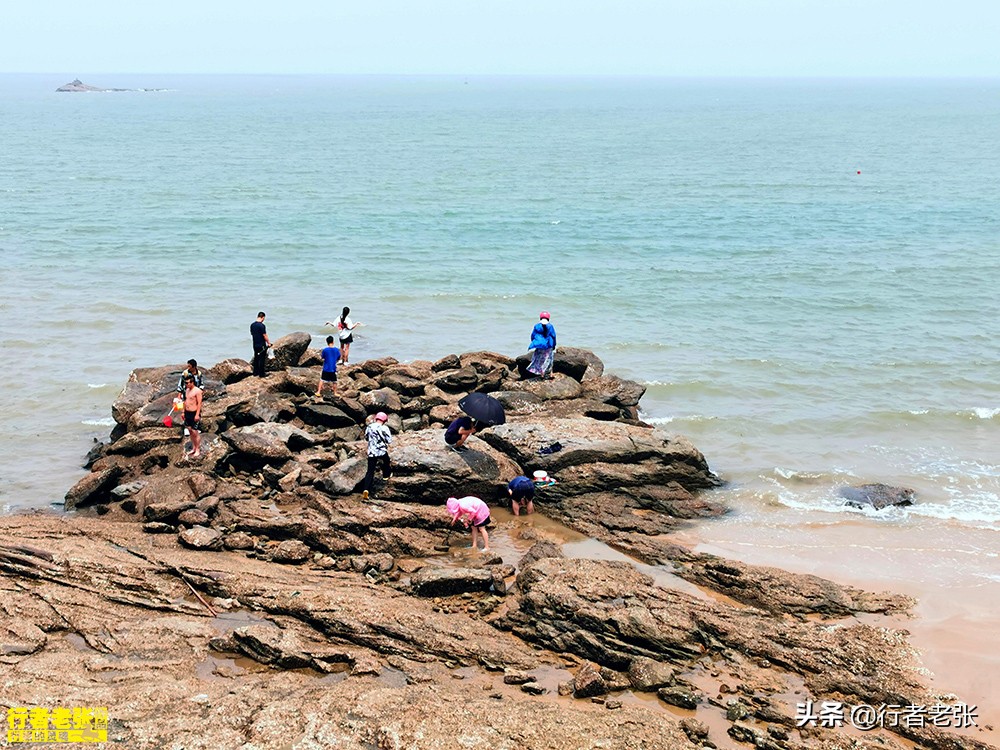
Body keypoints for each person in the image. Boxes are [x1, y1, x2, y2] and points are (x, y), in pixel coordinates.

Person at [362, 412, 392, 500]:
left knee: (370, 471)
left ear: (376, 418)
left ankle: (366, 489)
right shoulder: (385, 428)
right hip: (381, 451)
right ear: (385, 420)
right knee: (386, 461)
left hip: (372, 452)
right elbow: (389, 440)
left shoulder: (369, 427)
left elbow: (366, 438)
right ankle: (386, 475)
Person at [527, 311, 557, 379]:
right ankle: (550, 374)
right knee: (549, 359)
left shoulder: (537, 326)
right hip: (549, 346)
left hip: (540, 346)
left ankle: (541, 373)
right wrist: (554, 345)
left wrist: (535, 343)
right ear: (548, 318)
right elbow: (553, 336)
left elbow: (533, 335)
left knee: (539, 359)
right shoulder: (550, 326)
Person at [182, 374, 203, 459]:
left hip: (194, 413)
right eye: (185, 383)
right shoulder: (186, 390)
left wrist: (197, 414)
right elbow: (185, 401)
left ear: (192, 382)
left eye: (187, 383)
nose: (186, 384)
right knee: (190, 430)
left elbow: (199, 403)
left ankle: (197, 449)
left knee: (195, 431)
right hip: (187, 413)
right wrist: (183, 412)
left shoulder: (197, 391)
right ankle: (194, 447)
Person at [250, 311, 272, 377]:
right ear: (262, 317)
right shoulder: (262, 326)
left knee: (256, 358)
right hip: (261, 345)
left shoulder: (252, 325)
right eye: (264, 318)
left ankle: (255, 373)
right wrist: (269, 343)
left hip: (255, 344)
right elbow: (264, 335)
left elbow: (252, 333)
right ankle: (262, 374)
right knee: (262, 359)